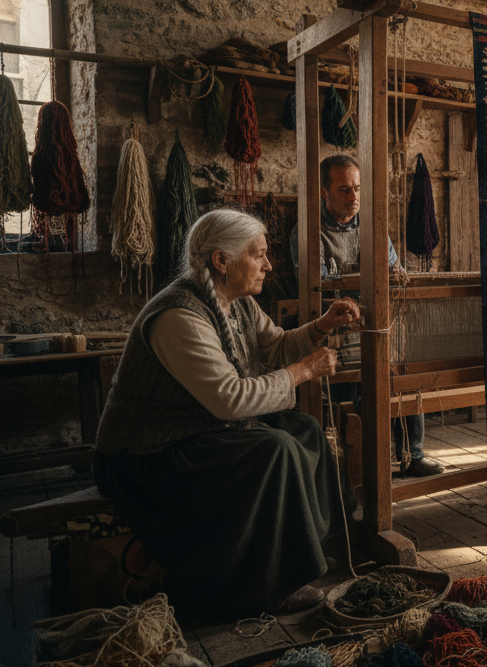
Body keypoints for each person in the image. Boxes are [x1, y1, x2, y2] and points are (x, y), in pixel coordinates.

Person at [94, 209, 360, 615]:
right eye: (258, 255)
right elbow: (230, 399)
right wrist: (303, 371)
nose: (268, 265)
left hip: (198, 432)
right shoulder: (179, 315)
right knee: (274, 449)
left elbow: (274, 346)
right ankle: (268, 585)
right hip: (147, 455)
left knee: (303, 429)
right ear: (221, 261)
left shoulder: (238, 305)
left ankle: (311, 551)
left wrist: (321, 325)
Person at [289, 154, 444, 479]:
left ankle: (411, 454)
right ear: (324, 193)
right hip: (333, 327)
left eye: (357, 188)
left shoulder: (374, 230)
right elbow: (314, 287)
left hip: (373, 323)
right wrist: (362, 281)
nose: (354, 197)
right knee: (357, 372)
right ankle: (357, 462)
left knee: (400, 365)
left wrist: (388, 277)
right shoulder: (308, 232)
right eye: (344, 189)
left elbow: (392, 273)